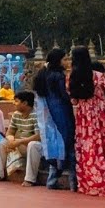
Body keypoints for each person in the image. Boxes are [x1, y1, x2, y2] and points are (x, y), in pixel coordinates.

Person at [68, 46, 105, 197]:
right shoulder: (100, 77)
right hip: (102, 115)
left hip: (84, 118)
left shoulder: (72, 78)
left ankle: (91, 182)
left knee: (89, 148)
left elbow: (74, 100)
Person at [32, 48, 75, 190]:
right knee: (68, 145)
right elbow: (65, 95)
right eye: (65, 59)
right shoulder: (58, 76)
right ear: (58, 61)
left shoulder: (43, 74)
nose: (67, 62)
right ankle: (74, 182)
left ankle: (52, 180)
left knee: (56, 146)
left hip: (49, 115)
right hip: (61, 113)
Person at [0, 90, 43, 185]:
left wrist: (19, 142)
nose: (14, 103)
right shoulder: (16, 114)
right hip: (19, 143)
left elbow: (38, 136)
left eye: (16, 101)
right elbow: (10, 131)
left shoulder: (36, 115)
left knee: (33, 145)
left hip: (34, 144)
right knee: (1, 143)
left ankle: (29, 179)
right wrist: (11, 140)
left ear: (25, 103)